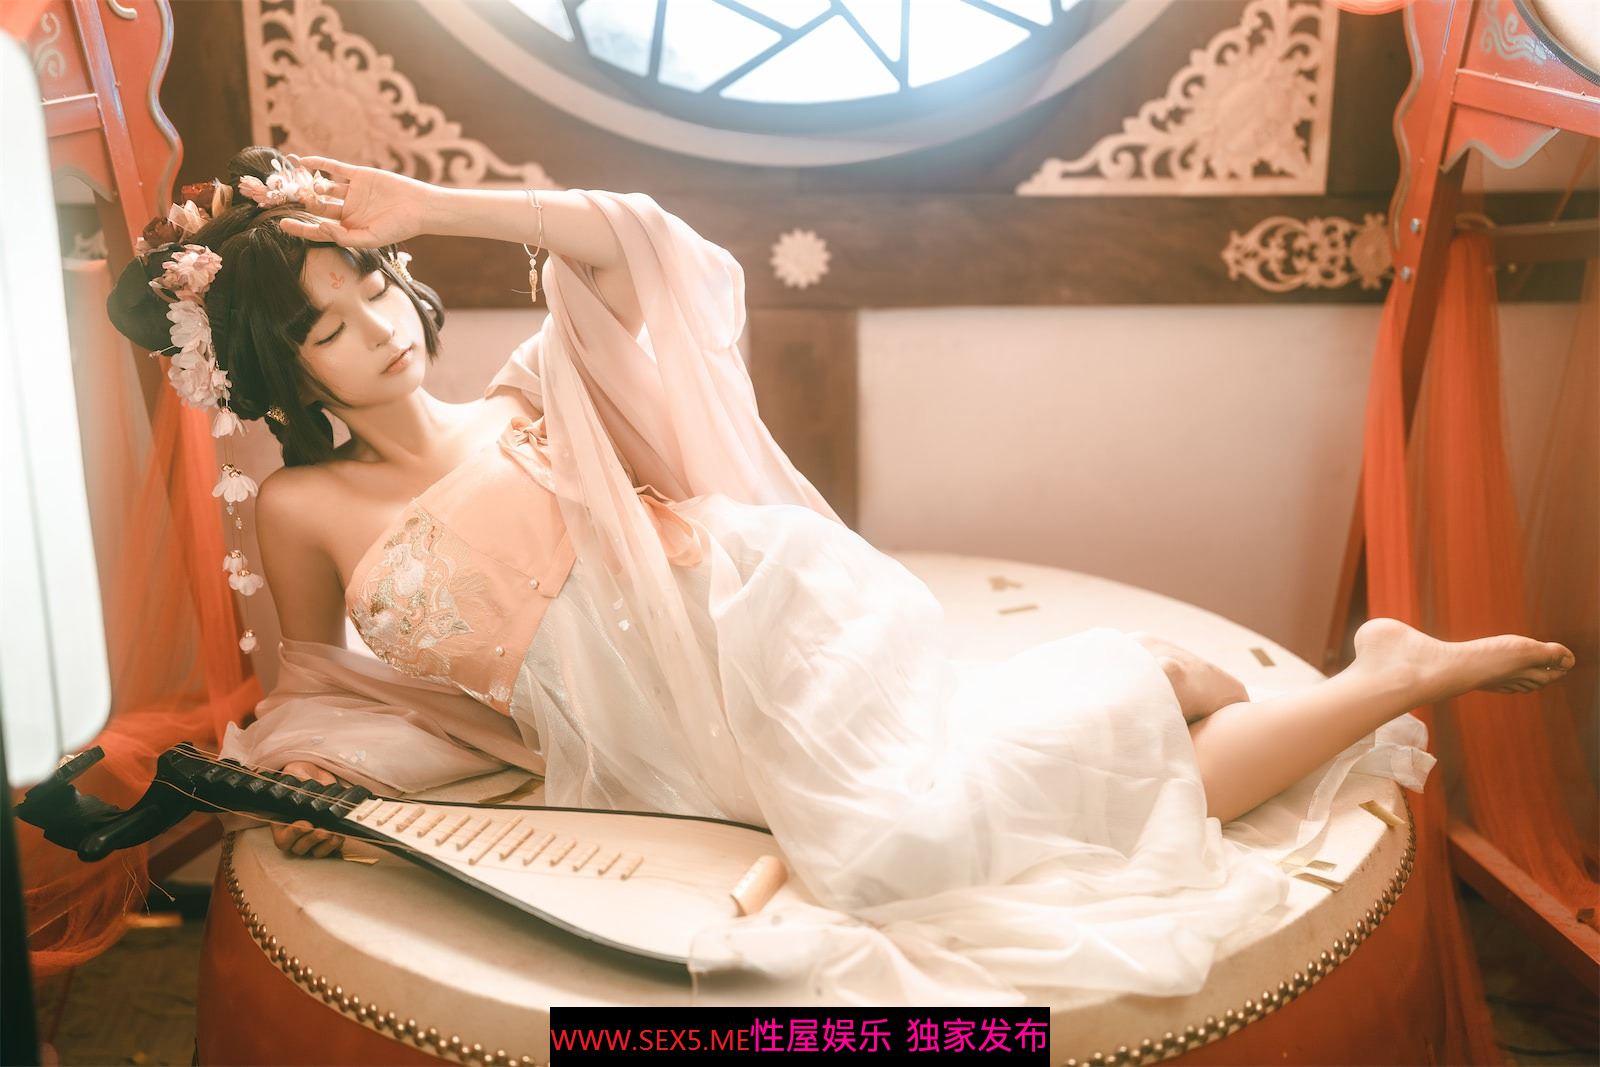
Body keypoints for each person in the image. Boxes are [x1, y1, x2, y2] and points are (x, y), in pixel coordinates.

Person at [111, 146, 1575, 1005]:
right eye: (323, 327)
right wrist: (329, 789)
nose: (374, 324)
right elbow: (324, 688)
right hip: (662, 743)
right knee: (940, 828)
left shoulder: (531, 400)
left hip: (767, 621)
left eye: (369, 282)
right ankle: (1184, 682)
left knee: (899, 864)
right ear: (273, 373)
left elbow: (646, 249)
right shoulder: (303, 506)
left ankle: (1354, 681)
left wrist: (431, 204)